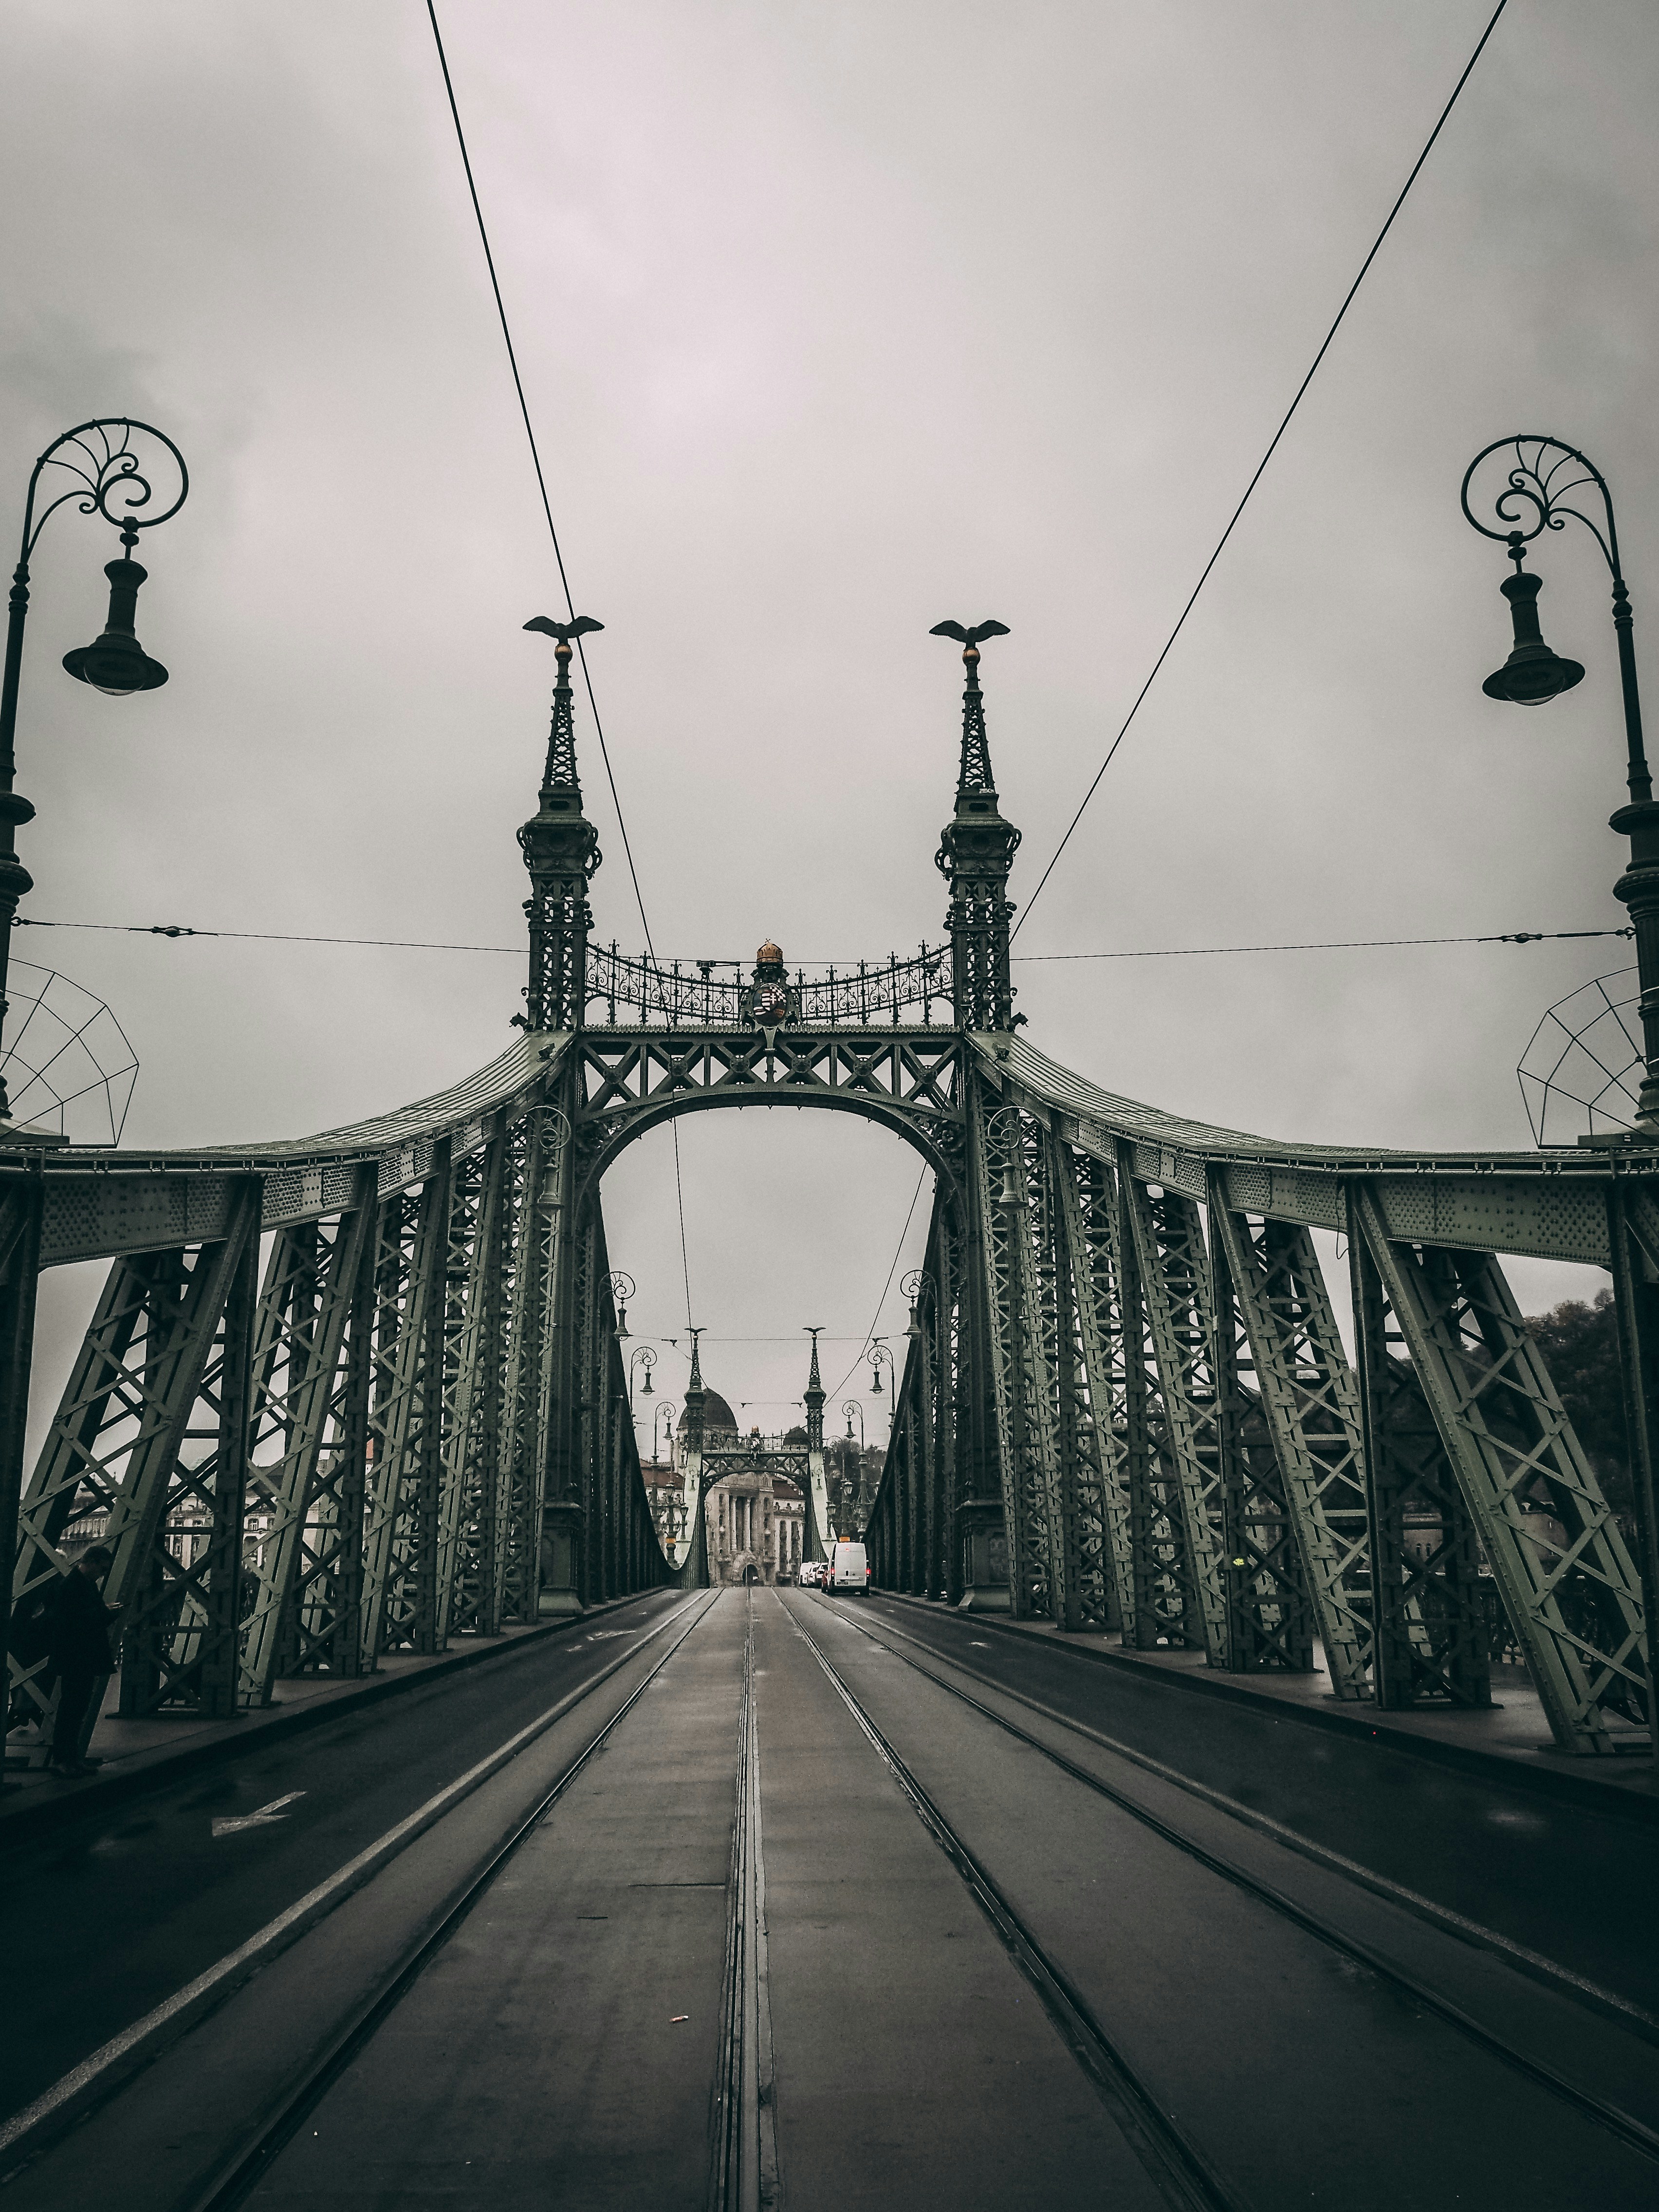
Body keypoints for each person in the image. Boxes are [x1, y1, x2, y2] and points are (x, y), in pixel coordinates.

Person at [45, 1544, 120, 1778]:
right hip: (78, 1658)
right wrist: (106, 1614)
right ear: (92, 1562)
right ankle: (64, 1760)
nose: (103, 1574)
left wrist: (103, 1611)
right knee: (72, 1710)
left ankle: (69, 1759)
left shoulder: (77, 1584)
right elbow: (80, 1621)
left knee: (74, 1709)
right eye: (103, 1569)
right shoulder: (75, 1586)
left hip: (77, 1657)